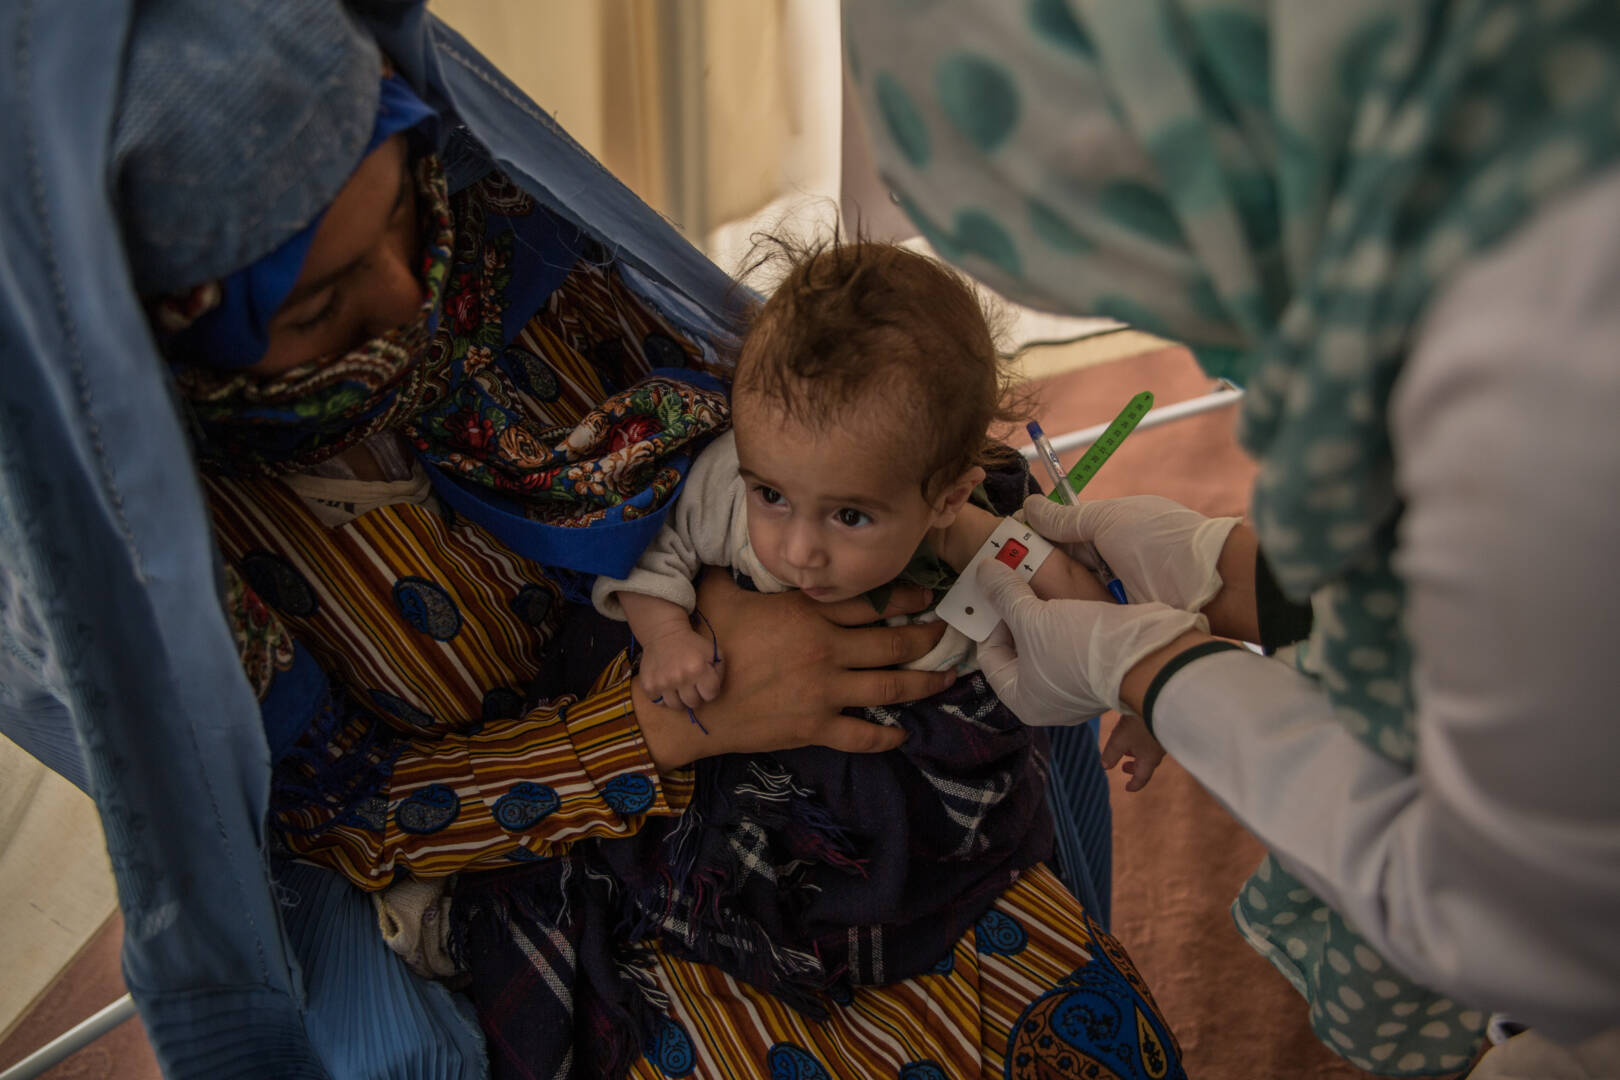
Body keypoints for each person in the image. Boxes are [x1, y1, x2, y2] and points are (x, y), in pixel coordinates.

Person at [85, 8, 1190, 1079]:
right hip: (588, 866)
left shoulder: (504, 240)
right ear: (179, 320)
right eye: (317, 303)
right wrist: (674, 717)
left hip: (845, 762)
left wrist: (942, 550)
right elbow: (339, 809)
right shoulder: (173, 543)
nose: (409, 301)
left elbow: (780, 444)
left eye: (400, 219)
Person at [844, 1, 1620, 1075]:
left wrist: (1164, 669)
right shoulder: (1496, 175)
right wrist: (1253, 584)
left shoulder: (1544, 374)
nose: (1224, 376)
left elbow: (1526, 936)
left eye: (1190, 293)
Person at [592, 236, 1170, 790]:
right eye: (771, 497)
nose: (797, 552)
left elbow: (1076, 598)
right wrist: (667, 637)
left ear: (945, 499)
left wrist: (1142, 698)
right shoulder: (727, 480)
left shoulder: (970, 535)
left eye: (848, 517)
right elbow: (645, 546)